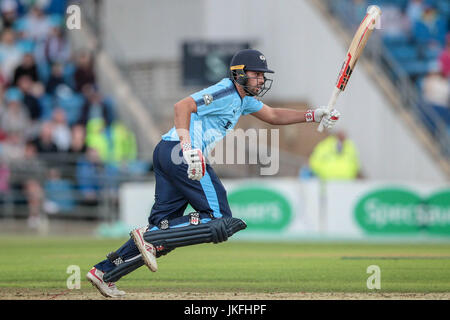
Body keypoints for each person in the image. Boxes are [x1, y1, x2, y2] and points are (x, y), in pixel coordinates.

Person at [86, 49, 341, 297]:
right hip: (180, 152)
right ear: (239, 73)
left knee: (164, 234)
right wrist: (188, 148)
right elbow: (182, 107)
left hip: (168, 152)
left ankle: (104, 272)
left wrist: (313, 115)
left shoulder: (245, 100)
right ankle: (149, 236)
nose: (262, 79)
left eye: (263, 75)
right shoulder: (226, 90)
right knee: (218, 218)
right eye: (257, 74)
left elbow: (273, 115)